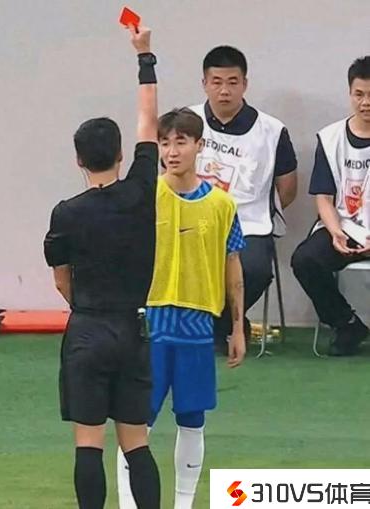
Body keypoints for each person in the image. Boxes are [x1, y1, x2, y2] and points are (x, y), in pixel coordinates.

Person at [43, 24, 161, 509]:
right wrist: (144, 56)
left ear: (78, 160)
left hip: (88, 329)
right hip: (133, 327)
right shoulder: (142, 191)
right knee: (137, 443)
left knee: (88, 442)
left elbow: (60, 277)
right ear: (121, 154)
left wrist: (85, 305)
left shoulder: (66, 213)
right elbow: (148, 120)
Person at [117, 108, 247, 509]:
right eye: (164, 142)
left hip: (197, 327)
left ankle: (184, 503)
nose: (172, 151)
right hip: (150, 325)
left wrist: (237, 327)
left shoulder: (222, 205)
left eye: (181, 142)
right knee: (136, 424)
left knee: (192, 419)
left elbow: (232, 266)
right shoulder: (144, 199)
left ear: (199, 145)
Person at [190, 46, 298, 348]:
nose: (224, 90)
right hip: (192, 220)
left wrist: (264, 211)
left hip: (248, 224)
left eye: (232, 82)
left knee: (255, 270)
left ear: (245, 84)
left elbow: (287, 187)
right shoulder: (186, 121)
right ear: (204, 83)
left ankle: (219, 324)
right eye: (216, 82)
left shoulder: (272, 130)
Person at [291, 56, 370, 356]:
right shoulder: (331, 138)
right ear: (350, 93)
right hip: (345, 225)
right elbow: (323, 197)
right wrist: (335, 232)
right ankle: (346, 323)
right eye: (359, 94)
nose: (365, 102)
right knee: (305, 260)